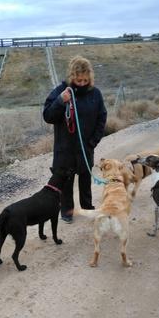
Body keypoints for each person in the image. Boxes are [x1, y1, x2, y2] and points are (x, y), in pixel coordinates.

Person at [43, 55, 107, 223]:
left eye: (85, 80)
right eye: (78, 80)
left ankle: (87, 208)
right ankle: (67, 211)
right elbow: (47, 116)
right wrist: (59, 102)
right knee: (66, 182)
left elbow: (102, 118)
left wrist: (93, 142)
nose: (82, 83)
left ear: (90, 77)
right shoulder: (60, 91)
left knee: (85, 180)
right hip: (65, 148)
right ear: (72, 77)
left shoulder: (95, 94)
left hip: (86, 147)